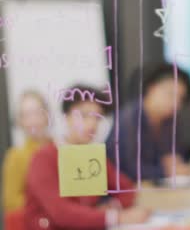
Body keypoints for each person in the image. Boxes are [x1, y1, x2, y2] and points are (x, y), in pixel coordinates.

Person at [25, 85, 150, 230]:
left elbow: (127, 189)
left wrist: (111, 206)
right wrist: (115, 217)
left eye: (97, 118)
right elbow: (61, 213)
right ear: (67, 116)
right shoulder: (44, 158)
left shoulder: (93, 155)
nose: (92, 124)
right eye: (83, 116)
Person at [106, 64, 190, 184]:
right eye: (170, 94)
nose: (175, 104)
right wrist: (165, 170)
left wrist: (174, 164)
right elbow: (127, 170)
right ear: (152, 88)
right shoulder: (128, 120)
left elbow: (174, 156)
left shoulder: (170, 120)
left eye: (180, 98)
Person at [2, 91, 52, 227]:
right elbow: (11, 201)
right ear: (20, 121)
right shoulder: (16, 156)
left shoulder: (59, 149)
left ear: (47, 115)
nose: (33, 120)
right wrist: (48, 204)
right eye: (26, 115)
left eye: (37, 113)